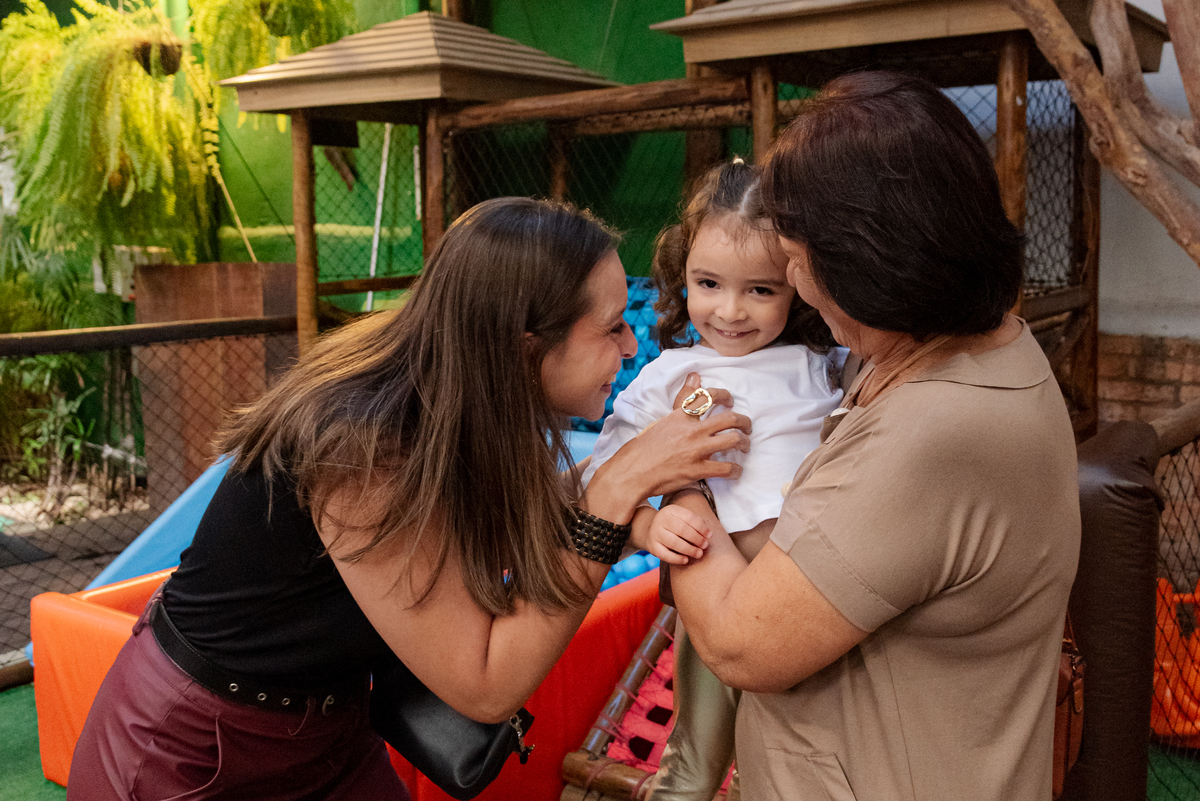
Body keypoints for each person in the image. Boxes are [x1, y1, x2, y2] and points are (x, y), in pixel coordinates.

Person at [66, 197, 752, 801]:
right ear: (524, 347)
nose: (631, 345)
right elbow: (484, 684)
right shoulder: (364, 448)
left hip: (330, 728)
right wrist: (615, 493)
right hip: (195, 747)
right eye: (611, 327)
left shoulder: (468, 397)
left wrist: (631, 501)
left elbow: (541, 520)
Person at [663, 71, 1080, 801]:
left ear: (871, 268)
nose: (795, 280)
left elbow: (738, 641)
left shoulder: (933, 434)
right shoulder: (979, 343)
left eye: (797, 261)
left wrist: (681, 471)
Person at [582, 159, 845, 801]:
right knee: (692, 767)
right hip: (713, 602)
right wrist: (650, 525)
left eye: (761, 290)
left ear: (799, 285)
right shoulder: (671, 377)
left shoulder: (824, 364)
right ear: (684, 275)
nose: (729, 311)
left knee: (773, 766)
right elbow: (604, 481)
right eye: (707, 283)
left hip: (799, 605)